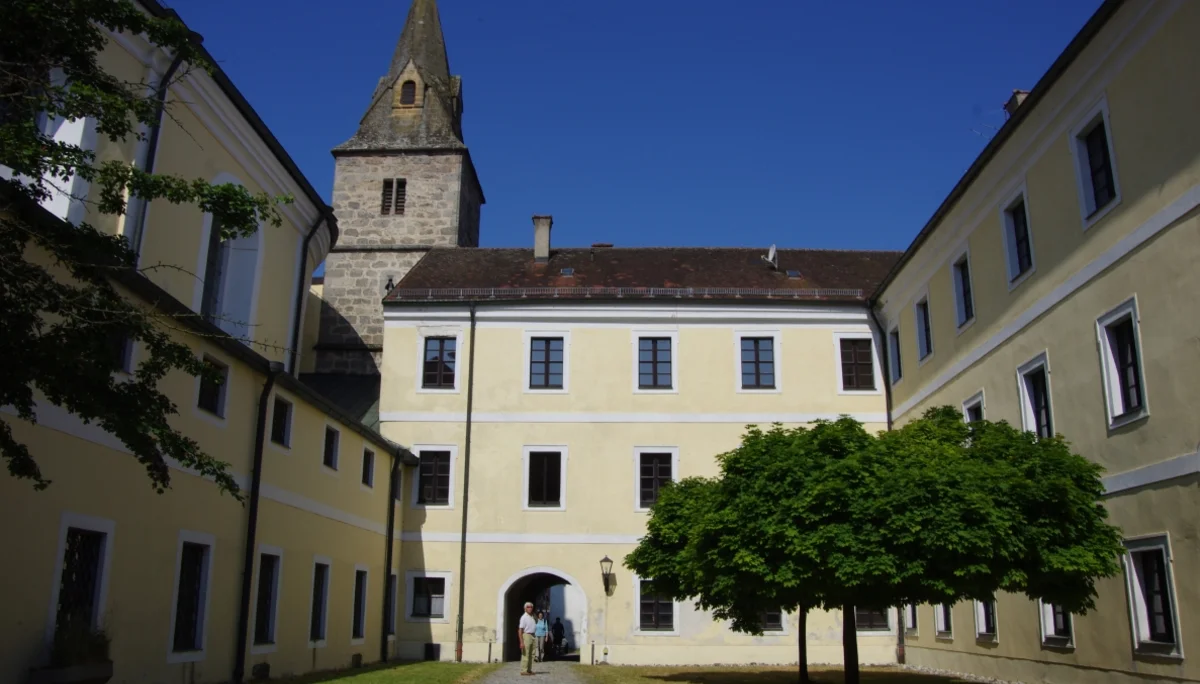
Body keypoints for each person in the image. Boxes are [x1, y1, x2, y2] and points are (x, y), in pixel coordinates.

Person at [518, 602, 537, 675]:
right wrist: (521, 642)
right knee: (526, 653)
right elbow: (520, 630)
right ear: (525, 608)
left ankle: (529, 669)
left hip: (532, 635)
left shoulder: (532, 616)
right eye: (528, 607)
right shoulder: (524, 617)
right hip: (526, 635)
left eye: (531, 607)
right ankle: (523, 670)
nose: (530, 608)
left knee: (532, 654)